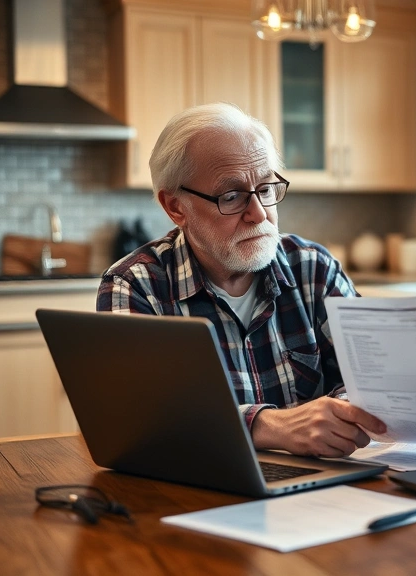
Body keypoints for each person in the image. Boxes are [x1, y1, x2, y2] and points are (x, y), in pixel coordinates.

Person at [97, 102, 385, 459]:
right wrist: (271, 426)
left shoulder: (314, 269)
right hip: (199, 488)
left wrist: (345, 412)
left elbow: (373, 379)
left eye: (265, 189)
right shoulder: (136, 285)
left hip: (322, 481)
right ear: (175, 207)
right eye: (231, 197)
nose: (259, 213)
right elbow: (137, 419)